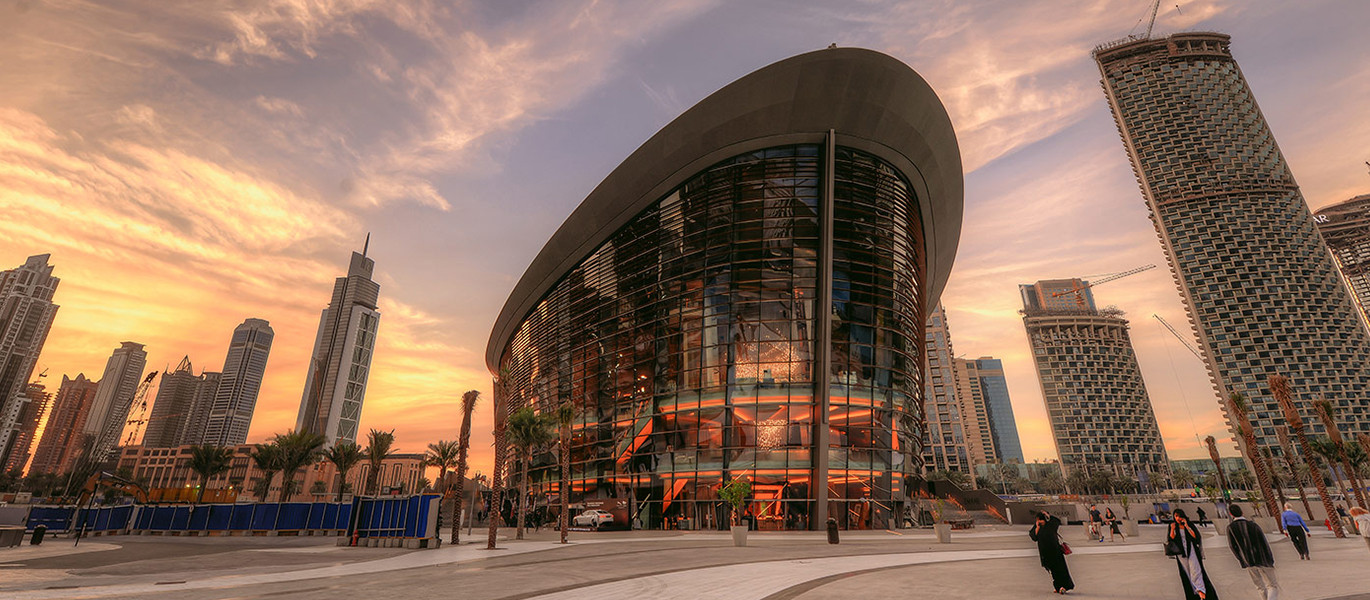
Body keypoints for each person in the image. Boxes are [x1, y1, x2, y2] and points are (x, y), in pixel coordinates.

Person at [1227, 504, 1279, 600]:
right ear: (1242, 512)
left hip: (1248, 561)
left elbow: (1232, 546)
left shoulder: (1231, 528)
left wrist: (1242, 558)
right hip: (1263, 558)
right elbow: (1264, 542)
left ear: (1231, 514)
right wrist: (1270, 559)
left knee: (1259, 586)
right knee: (1272, 585)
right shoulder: (1253, 525)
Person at [1168, 509, 1219, 600]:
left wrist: (1187, 526)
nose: (1178, 518)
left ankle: (1201, 591)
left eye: (1179, 516)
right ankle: (1194, 593)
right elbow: (1171, 538)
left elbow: (1196, 537)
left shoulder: (1189, 524)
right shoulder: (1172, 526)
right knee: (1187, 572)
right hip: (1181, 553)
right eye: (1176, 516)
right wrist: (1172, 529)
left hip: (1191, 549)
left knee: (1196, 570)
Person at [1030, 510, 1075, 594]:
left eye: (1040, 520)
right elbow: (1034, 537)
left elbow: (1057, 521)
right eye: (1037, 520)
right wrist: (1037, 528)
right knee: (1052, 571)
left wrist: (1048, 515)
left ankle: (1062, 586)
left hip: (1055, 552)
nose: (1039, 522)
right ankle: (1058, 586)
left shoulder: (1051, 525)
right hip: (1045, 554)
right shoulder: (1037, 527)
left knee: (1060, 570)